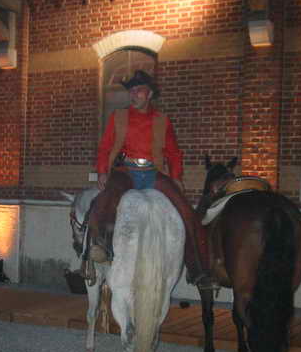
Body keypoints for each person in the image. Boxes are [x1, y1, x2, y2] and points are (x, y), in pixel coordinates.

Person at [85, 70, 213, 288]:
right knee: (106, 199)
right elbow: (105, 147)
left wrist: (176, 177)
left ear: (150, 94)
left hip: (154, 173)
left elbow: (173, 152)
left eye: (139, 90)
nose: (134, 94)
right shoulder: (119, 116)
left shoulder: (162, 120)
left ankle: (198, 269)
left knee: (186, 212)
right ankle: (101, 246)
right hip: (125, 172)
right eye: (131, 91)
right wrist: (103, 171)